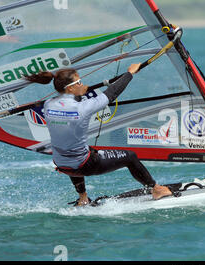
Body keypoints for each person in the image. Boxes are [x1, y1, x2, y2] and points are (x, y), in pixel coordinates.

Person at [25, 63, 173, 206]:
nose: (82, 84)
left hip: (61, 163)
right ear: (70, 88)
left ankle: (83, 197)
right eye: (79, 82)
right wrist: (130, 73)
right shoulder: (83, 108)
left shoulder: (49, 104)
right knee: (130, 156)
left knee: (75, 148)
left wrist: (80, 91)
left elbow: (69, 101)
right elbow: (112, 93)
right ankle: (156, 189)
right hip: (85, 165)